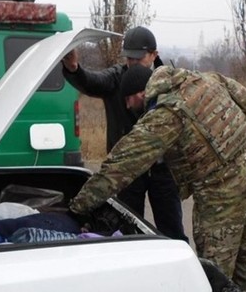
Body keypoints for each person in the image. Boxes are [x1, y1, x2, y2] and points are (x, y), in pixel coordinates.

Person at [69, 65, 246, 292]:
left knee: (215, 274)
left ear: (141, 93)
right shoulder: (204, 78)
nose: (126, 106)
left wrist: (79, 206)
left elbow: (122, 165)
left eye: (127, 99)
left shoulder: (166, 114)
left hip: (221, 194)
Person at [61, 26, 187, 242]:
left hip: (163, 171)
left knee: (171, 229)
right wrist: (74, 69)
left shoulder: (170, 83)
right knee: (128, 228)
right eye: (129, 58)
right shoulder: (117, 78)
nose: (132, 64)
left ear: (154, 55)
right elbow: (92, 82)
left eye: (138, 59)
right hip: (128, 173)